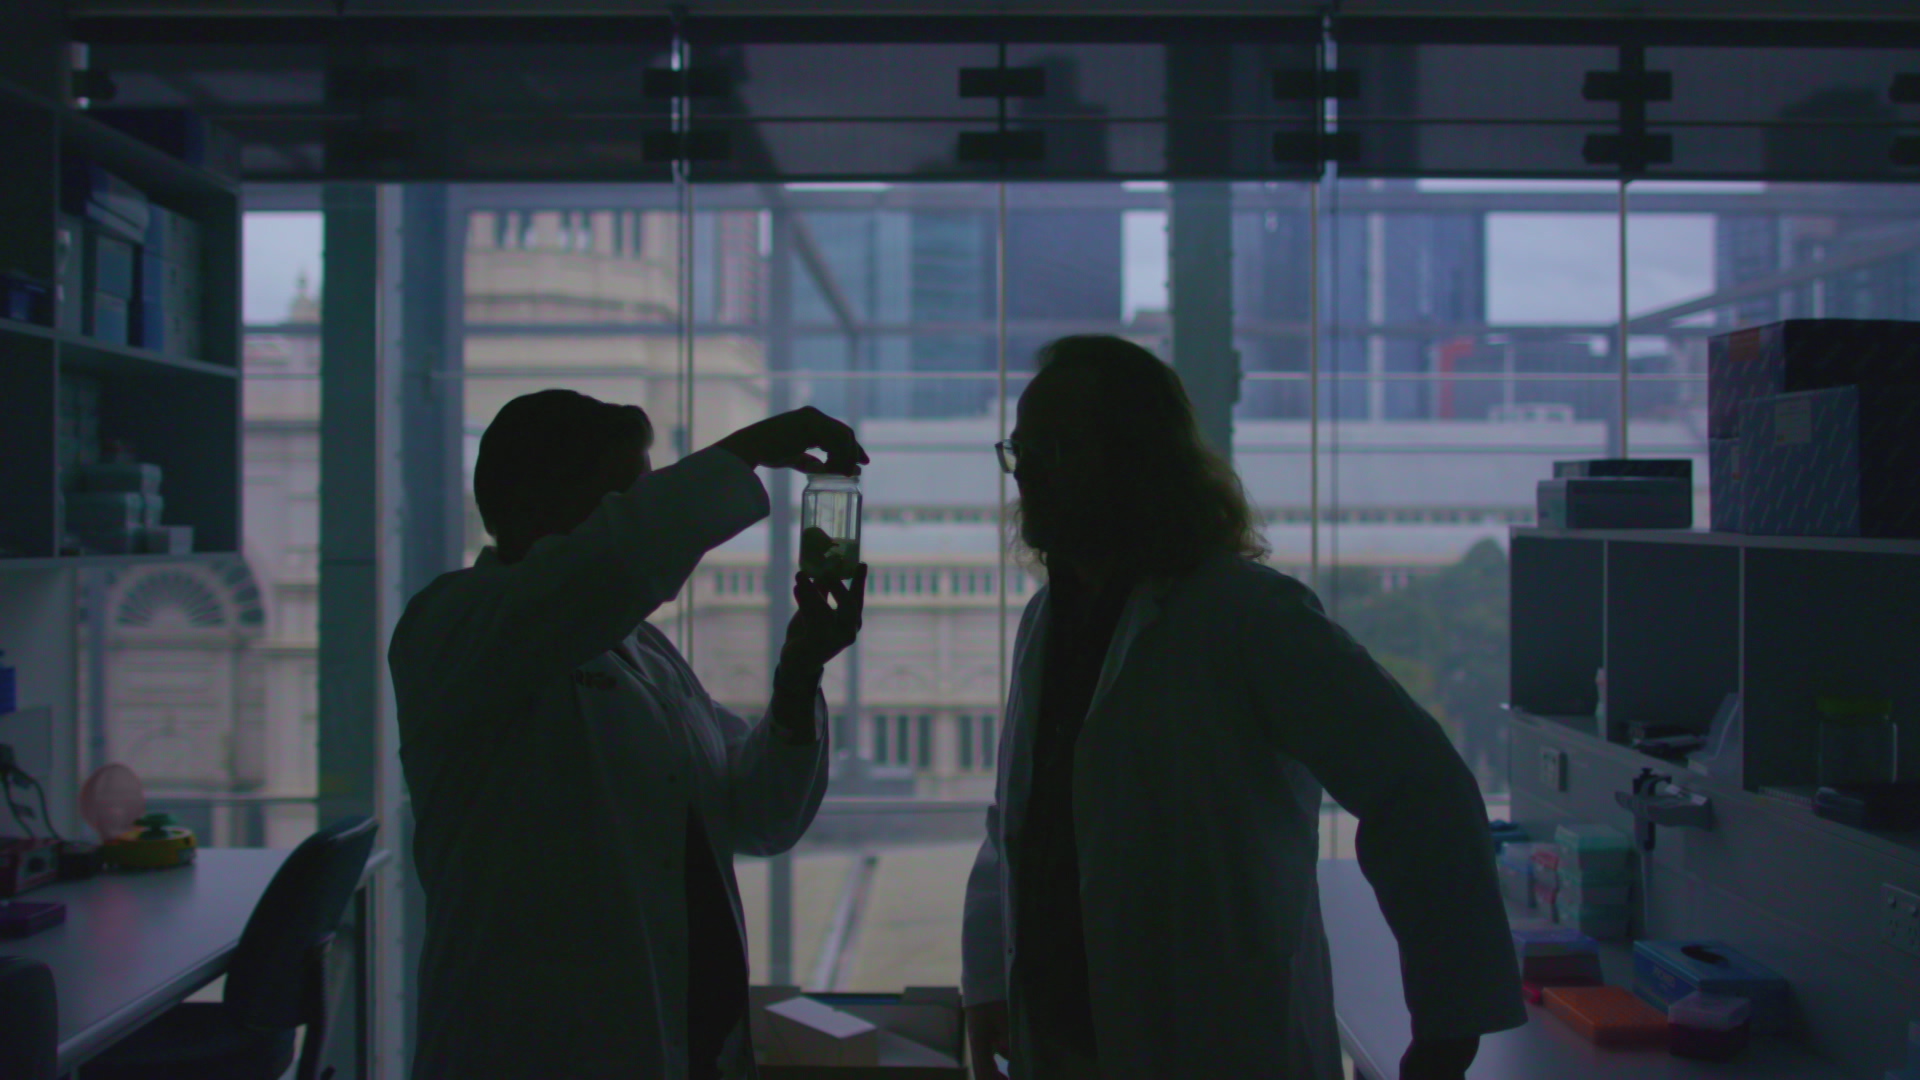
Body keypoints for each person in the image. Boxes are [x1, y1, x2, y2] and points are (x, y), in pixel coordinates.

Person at [961, 337, 1525, 1080]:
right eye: (1021, 449)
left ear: (1134, 460)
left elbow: (1421, 789)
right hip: (1063, 1046)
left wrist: (1448, 1031)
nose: (1027, 472)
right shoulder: (1047, 620)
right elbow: (1018, 827)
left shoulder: (1247, 616)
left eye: (1056, 448)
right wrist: (988, 985)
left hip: (1219, 1042)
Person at [390, 390, 870, 1080]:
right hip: (530, 1048)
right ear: (528, 503)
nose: (640, 513)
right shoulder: (452, 629)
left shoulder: (643, 652)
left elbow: (756, 817)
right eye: (621, 495)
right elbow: (617, 558)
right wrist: (744, 453)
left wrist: (798, 680)